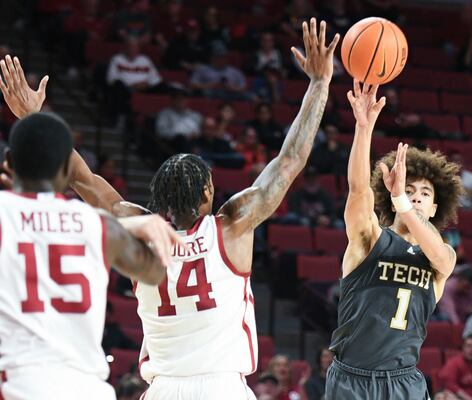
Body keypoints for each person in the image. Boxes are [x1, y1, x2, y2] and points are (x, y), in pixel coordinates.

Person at [4, 21, 340, 399]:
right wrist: (319, 83)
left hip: (163, 389)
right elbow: (290, 159)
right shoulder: (232, 227)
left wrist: (31, 118)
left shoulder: (136, 229)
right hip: (223, 388)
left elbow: (80, 177)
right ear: (207, 193)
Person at [0, 109, 177, 398]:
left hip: (21, 384)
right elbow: (156, 271)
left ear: (9, 163)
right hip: (89, 389)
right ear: (66, 170)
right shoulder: (97, 223)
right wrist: (130, 225)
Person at [326, 81, 463, 399]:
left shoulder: (442, 256)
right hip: (351, 379)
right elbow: (359, 191)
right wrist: (364, 128)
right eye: (409, 189)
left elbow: (440, 257)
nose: (416, 198)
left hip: (403, 382)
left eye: (424, 194)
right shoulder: (370, 239)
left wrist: (401, 197)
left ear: (434, 207)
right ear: (390, 195)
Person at [156, 90, 202, 154]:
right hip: (174, 143)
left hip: (194, 141)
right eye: (178, 99)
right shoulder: (165, 114)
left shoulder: (193, 114)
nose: (180, 101)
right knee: (181, 139)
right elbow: (161, 132)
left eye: (183, 98)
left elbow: (199, 130)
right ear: (172, 100)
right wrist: (184, 135)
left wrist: (195, 134)